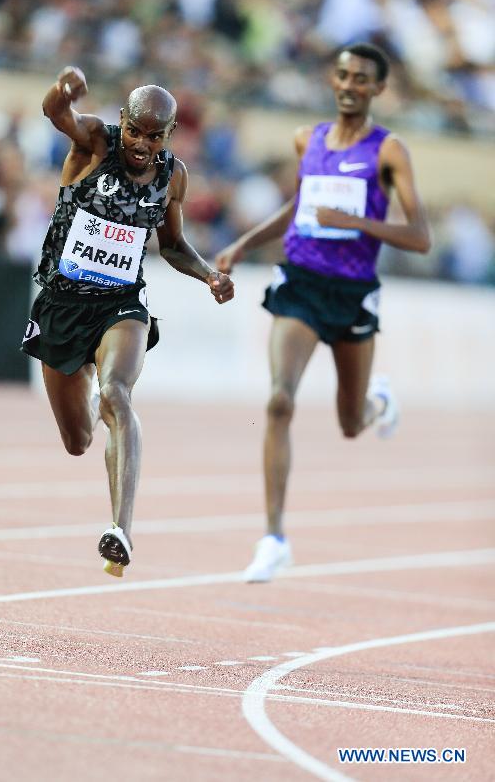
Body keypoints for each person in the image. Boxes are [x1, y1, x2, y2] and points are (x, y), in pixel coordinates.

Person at [215, 43, 431, 583]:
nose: (349, 84)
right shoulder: (306, 139)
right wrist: (244, 243)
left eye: (361, 78)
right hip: (302, 285)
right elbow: (300, 207)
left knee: (350, 423)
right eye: (341, 75)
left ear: (378, 88)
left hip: (353, 293)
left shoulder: (389, 151)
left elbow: (420, 236)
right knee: (279, 400)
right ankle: (273, 538)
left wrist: (357, 222)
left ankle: (376, 403)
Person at [22, 66, 234, 577]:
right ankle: (90, 387)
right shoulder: (97, 143)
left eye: (154, 135)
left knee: (117, 393)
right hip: (60, 305)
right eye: (136, 130)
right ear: (124, 121)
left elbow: (175, 246)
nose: (142, 143)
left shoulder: (171, 176)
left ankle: (121, 529)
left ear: (169, 134)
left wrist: (208, 275)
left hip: (121, 304)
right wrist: (63, 88)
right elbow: (56, 113)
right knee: (77, 441)